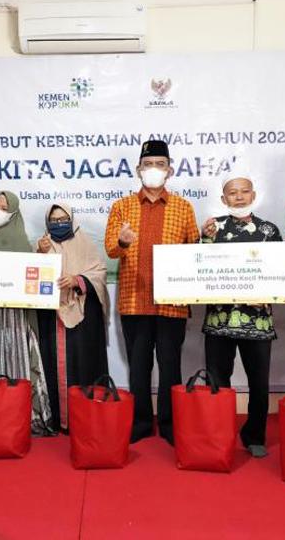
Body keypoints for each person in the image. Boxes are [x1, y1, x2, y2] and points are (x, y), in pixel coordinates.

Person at [104, 140, 200, 445]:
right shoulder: (122, 206)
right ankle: (141, 422)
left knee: (171, 367)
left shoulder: (183, 207)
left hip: (172, 302)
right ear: (138, 170)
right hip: (134, 300)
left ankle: (170, 424)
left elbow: (194, 250)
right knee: (139, 367)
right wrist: (122, 242)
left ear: (169, 170)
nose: (154, 170)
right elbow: (111, 250)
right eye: (148, 165)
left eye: (160, 164)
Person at [201, 175, 282, 458]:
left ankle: (254, 435)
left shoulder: (269, 230)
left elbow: (283, 270)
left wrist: (270, 293)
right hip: (219, 320)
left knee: (259, 383)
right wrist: (205, 240)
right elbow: (198, 269)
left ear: (253, 195)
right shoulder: (213, 227)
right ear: (223, 199)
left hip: (258, 321)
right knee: (216, 382)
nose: (239, 197)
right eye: (232, 193)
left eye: (244, 191)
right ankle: (218, 435)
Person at [0, 191, 54, 436]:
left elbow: (30, 276)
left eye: (4, 207)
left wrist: (41, 254)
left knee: (16, 359)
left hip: (14, 317)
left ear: (14, 212)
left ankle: (18, 416)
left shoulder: (20, 239)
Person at [36, 203, 110, 431]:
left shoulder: (85, 242)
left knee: (83, 365)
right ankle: (57, 418)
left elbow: (99, 273)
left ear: (72, 220)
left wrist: (77, 280)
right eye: (54, 220)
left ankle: (83, 419)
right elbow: (31, 277)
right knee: (51, 366)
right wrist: (39, 254)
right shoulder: (42, 244)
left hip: (82, 318)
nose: (59, 224)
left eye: (63, 219)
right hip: (51, 318)